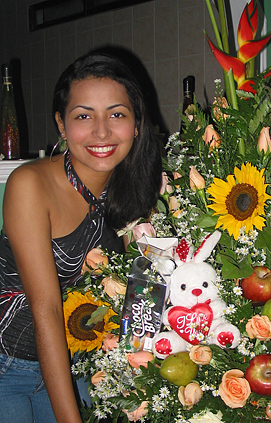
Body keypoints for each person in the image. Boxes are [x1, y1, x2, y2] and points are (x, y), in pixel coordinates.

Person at [0, 51, 162, 423]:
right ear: (61, 123)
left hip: (78, 366)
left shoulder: (137, 188)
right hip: (7, 368)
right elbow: (46, 310)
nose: (101, 132)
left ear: (137, 123)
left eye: (117, 114)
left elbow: (138, 292)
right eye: (84, 116)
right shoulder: (30, 185)